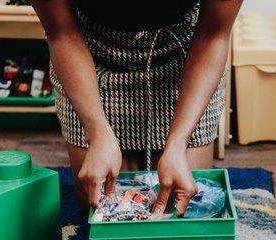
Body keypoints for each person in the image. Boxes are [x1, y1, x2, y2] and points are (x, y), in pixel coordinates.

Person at [31, 0, 242, 215]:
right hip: (90, 53)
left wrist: (178, 143)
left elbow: (213, 34)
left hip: (185, 53)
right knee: (107, 209)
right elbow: (61, 32)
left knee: (185, 206)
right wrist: (97, 133)